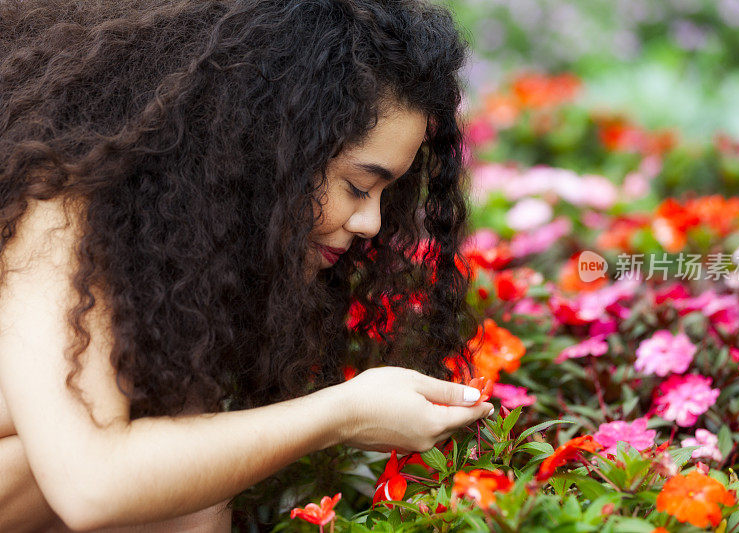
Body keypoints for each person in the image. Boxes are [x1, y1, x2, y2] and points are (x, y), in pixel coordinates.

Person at [0, 0, 493, 531]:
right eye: (357, 186)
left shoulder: (183, 243)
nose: (371, 223)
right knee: (78, 452)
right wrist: (345, 412)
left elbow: (190, 507)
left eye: (384, 195)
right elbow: (91, 486)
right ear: (274, 147)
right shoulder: (61, 205)